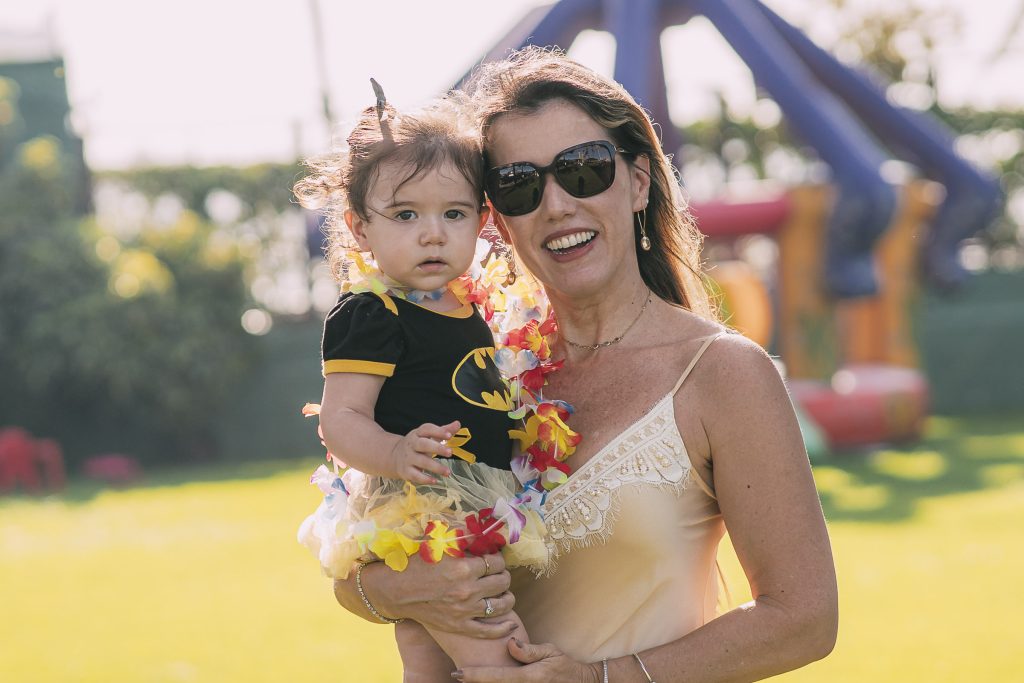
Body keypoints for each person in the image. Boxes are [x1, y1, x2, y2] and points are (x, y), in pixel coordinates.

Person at [332, 48, 838, 682]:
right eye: (518, 184)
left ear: (638, 181)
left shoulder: (723, 374)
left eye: (584, 169)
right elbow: (357, 563)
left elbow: (804, 618)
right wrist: (397, 591)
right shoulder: (477, 362)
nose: (557, 205)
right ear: (495, 217)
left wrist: (599, 680)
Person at [294, 84, 561, 679]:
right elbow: (341, 419)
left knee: (426, 652)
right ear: (360, 229)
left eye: (454, 214)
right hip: (422, 508)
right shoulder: (372, 315)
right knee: (494, 644)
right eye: (406, 214)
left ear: (483, 221)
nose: (432, 233)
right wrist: (394, 451)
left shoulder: (468, 309)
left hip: (471, 496)